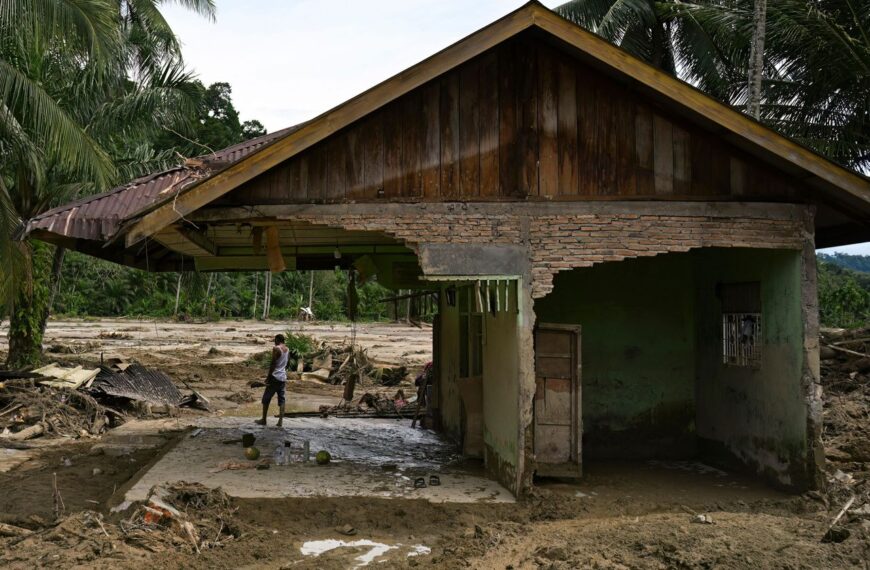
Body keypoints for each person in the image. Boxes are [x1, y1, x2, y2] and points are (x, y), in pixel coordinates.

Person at [256, 334, 290, 427]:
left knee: (266, 398)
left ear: (278, 340)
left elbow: (273, 364)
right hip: (283, 377)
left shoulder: (276, 348)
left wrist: (268, 377)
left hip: (275, 377)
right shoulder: (287, 349)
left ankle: (263, 420)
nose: (274, 342)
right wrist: (282, 371)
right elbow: (288, 364)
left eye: (275, 340)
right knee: (282, 399)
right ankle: (280, 422)